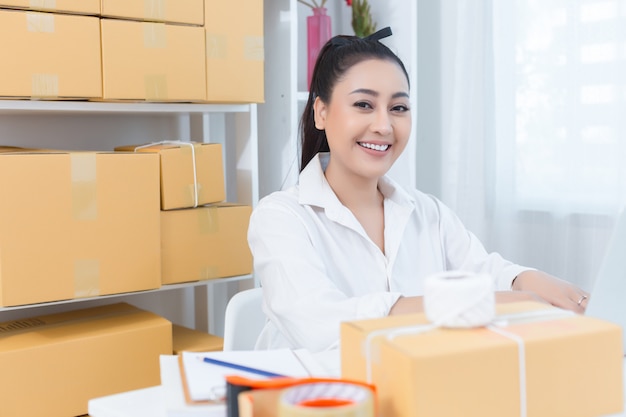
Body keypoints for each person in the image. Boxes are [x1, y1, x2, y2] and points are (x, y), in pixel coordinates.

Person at [247, 27, 589, 353]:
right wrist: (489, 303)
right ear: (321, 112)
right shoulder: (280, 217)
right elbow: (319, 325)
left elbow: (485, 271)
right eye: (364, 105)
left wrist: (525, 281)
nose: (383, 126)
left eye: (398, 108)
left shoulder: (429, 214)